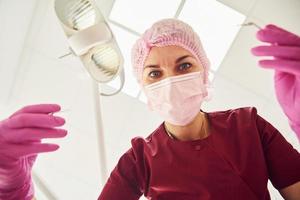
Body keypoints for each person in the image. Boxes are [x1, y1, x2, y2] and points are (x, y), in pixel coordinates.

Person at [0, 18, 299, 200]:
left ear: (204, 72)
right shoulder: (139, 160)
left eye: (184, 66)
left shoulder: (249, 127)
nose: (171, 81)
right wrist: (11, 187)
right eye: (155, 73)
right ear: (144, 88)